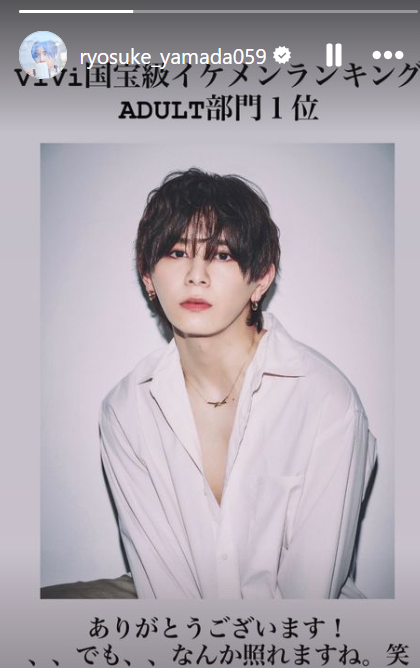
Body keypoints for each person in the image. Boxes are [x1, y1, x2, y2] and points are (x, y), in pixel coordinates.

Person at [100, 168, 377, 599]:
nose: (196, 275)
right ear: (148, 276)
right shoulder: (125, 410)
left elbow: (310, 595)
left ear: (261, 279)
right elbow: (166, 591)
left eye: (223, 255)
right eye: (177, 252)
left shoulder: (326, 401)